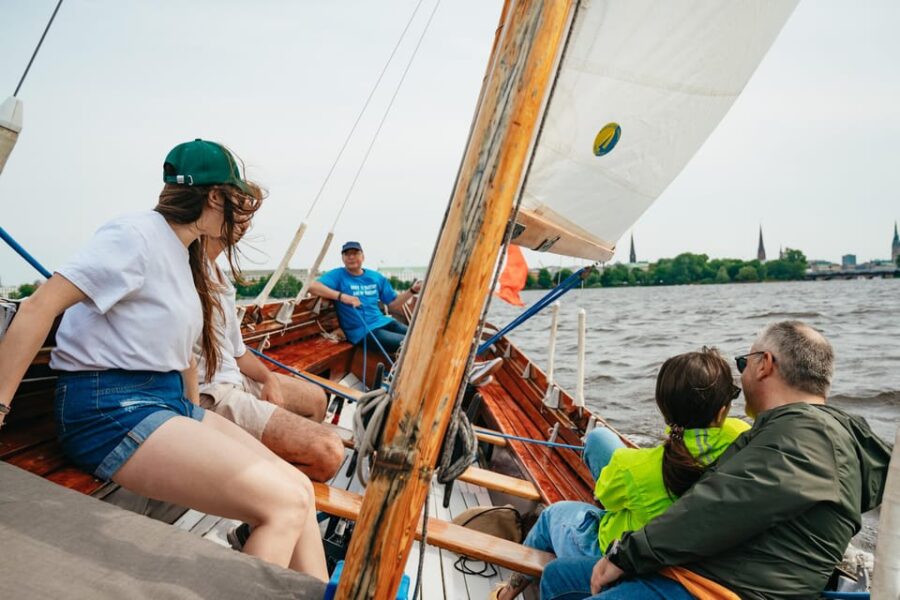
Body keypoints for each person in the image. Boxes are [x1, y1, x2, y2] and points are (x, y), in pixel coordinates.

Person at [0, 139, 327, 581]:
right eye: (236, 201)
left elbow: (181, 355)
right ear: (215, 197)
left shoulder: (184, 252)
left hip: (166, 401)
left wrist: (195, 419)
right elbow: (40, 306)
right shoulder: (135, 236)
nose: (242, 220)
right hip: (110, 407)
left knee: (301, 489)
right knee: (281, 505)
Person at [541, 321, 892, 600]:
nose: (740, 375)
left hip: (720, 589)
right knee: (557, 576)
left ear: (764, 365)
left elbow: (720, 505)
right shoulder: (818, 433)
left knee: (561, 574)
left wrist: (624, 556)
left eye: (744, 363)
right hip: (715, 574)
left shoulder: (803, 436)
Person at [492, 348, 749, 600]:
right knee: (600, 439)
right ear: (722, 411)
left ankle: (507, 593)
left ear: (663, 407)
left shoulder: (636, 467)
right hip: (686, 549)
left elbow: (605, 496)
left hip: (616, 549)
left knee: (552, 514)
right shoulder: (741, 436)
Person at [197, 221, 344, 482]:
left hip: (236, 378)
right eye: (238, 213)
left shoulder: (219, 277)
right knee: (328, 452)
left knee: (317, 399)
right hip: (210, 391)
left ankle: (274, 456)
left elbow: (238, 352)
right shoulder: (187, 270)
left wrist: (268, 379)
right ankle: (262, 495)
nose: (244, 223)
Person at [308, 241, 421, 356]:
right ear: (343, 258)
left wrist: (412, 290)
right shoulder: (338, 275)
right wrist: (342, 297)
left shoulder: (375, 277)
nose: (351, 257)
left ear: (363, 256)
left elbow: (393, 303)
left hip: (384, 321)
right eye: (347, 254)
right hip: (362, 331)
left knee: (421, 336)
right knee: (411, 344)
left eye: (355, 253)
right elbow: (312, 287)